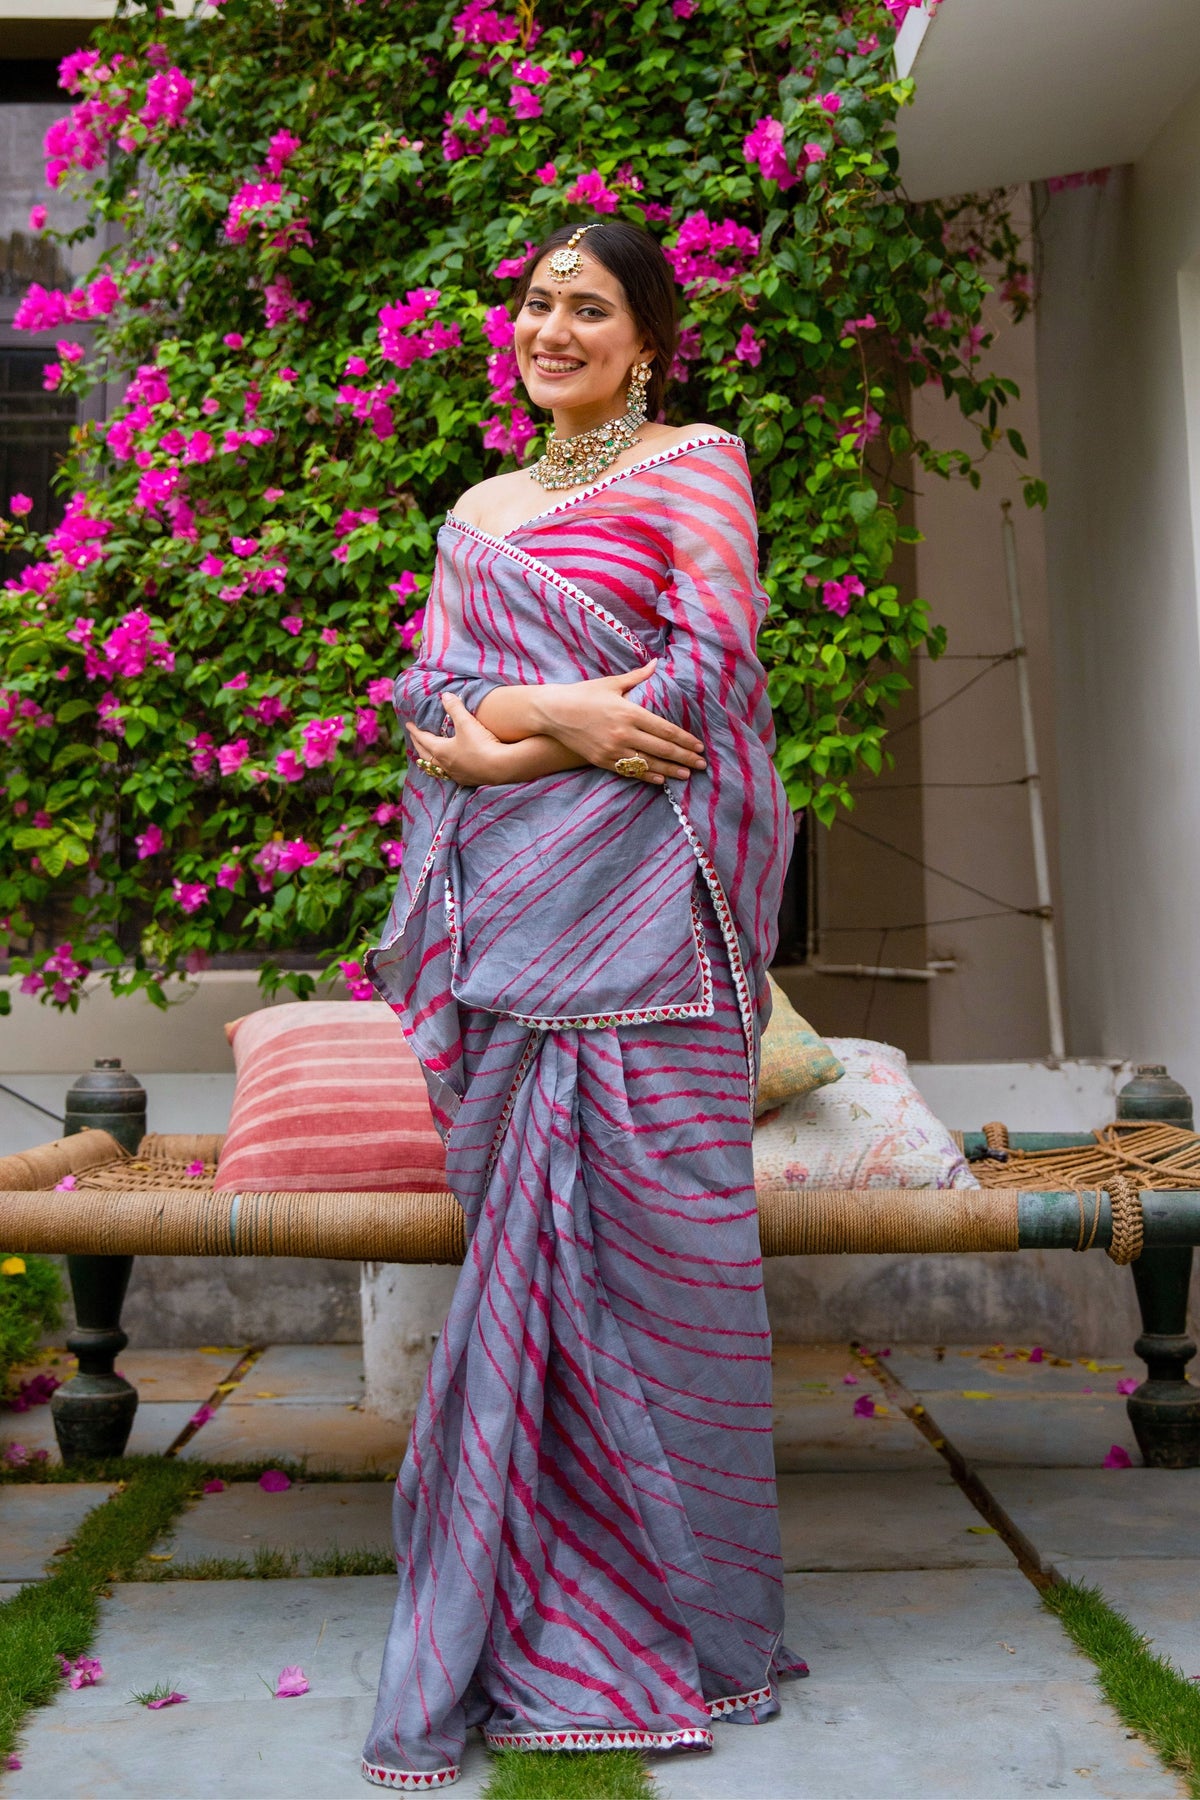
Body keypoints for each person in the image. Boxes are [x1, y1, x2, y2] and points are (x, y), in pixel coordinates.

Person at [361, 216, 803, 1792]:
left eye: (589, 306)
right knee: (523, 1269)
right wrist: (532, 718)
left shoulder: (698, 463)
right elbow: (426, 699)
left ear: (647, 336)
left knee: (673, 1266)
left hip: (651, 946)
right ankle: (517, 1585)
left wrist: (514, 742)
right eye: (539, 302)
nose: (553, 327)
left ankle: (690, 1615)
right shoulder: (480, 509)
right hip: (512, 945)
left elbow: (710, 666)